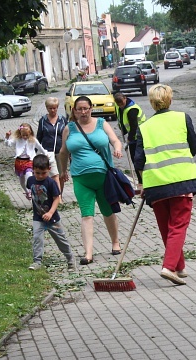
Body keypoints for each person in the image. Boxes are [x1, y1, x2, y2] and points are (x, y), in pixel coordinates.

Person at [134, 84, 196, 285]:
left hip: (155, 184)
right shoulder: (182, 118)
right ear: (170, 100)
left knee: (167, 228)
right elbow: (194, 147)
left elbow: (139, 160)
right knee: (178, 226)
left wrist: (142, 183)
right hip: (181, 180)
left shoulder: (144, 127)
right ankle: (169, 267)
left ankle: (179, 266)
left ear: (153, 103)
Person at [57, 96, 123, 265]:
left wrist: (116, 149)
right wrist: (63, 170)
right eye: (79, 109)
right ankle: (88, 253)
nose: (83, 112)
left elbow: (115, 140)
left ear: (91, 108)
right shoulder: (69, 129)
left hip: (104, 178)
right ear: (74, 111)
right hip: (81, 178)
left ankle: (115, 242)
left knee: (108, 211)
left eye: (86, 108)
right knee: (87, 215)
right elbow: (63, 152)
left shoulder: (101, 123)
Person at [27, 154, 76, 272]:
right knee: (37, 238)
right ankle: (37, 261)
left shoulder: (51, 183)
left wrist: (50, 213)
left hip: (52, 218)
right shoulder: (30, 180)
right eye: (37, 173)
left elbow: (56, 199)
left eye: (43, 173)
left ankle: (70, 258)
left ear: (49, 169)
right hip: (38, 217)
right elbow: (30, 190)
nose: (40, 176)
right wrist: (29, 194)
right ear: (33, 169)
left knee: (60, 239)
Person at [6, 123, 57, 200]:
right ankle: (26, 191)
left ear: (30, 133)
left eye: (27, 135)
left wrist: (46, 154)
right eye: (23, 135)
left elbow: (40, 147)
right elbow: (8, 144)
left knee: (29, 175)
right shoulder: (17, 139)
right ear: (20, 133)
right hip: (19, 162)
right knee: (22, 181)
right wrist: (7, 137)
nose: (25, 137)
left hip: (29, 161)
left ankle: (31, 191)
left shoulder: (33, 140)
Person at [114, 92, 147, 193]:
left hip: (140, 136)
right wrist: (122, 129)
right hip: (134, 137)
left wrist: (128, 140)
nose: (121, 105)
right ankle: (140, 181)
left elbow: (133, 127)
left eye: (122, 103)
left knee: (138, 159)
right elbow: (121, 117)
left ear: (125, 98)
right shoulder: (118, 105)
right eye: (119, 104)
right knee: (134, 159)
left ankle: (142, 182)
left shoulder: (132, 109)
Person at [36, 97, 67, 194]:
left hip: (60, 151)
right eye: (50, 108)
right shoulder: (43, 120)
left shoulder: (63, 120)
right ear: (47, 108)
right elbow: (39, 137)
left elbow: (68, 136)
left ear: (57, 108)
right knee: (48, 174)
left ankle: (59, 194)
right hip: (47, 152)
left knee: (61, 174)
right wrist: (36, 152)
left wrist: (68, 152)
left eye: (54, 108)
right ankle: (50, 193)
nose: (53, 110)